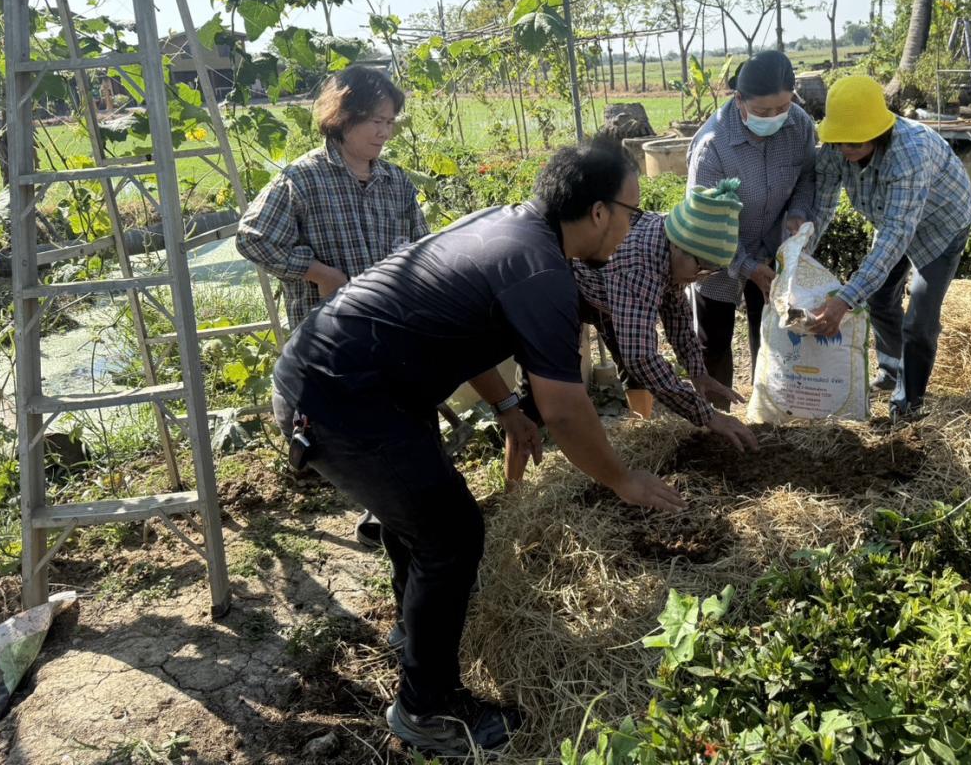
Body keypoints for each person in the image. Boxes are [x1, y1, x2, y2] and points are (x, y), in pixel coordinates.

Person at [270, 139, 685, 758]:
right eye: (634, 211)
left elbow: (457, 325)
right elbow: (569, 412)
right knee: (451, 534)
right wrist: (624, 479)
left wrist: (507, 407)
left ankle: (413, 634)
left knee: (421, 517)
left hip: (352, 384)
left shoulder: (507, 229)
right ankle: (425, 709)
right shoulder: (543, 268)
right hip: (339, 399)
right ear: (598, 212)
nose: (635, 226)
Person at [237, 66, 426, 548]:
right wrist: (319, 273)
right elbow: (253, 239)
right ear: (342, 118)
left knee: (401, 413)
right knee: (350, 422)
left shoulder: (395, 182)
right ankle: (380, 506)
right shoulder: (303, 179)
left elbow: (422, 248)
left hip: (386, 324)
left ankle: (393, 510)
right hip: (329, 331)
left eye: (391, 122)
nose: (384, 132)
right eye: (375, 121)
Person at [808, 75, 971, 419]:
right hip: (892, 220)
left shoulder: (909, 154)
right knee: (880, 298)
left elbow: (897, 237)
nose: (844, 150)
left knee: (919, 320)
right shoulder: (836, 150)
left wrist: (843, 301)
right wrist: (799, 255)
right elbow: (822, 207)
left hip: (941, 225)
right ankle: (890, 368)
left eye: (854, 143)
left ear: (879, 132)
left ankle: (909, 403)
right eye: (838, 141)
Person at [569, 179, 759, 453]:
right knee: (562, 383)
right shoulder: (639, 265)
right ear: (677, 246)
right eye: (699, 267)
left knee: (634, 367)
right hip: (573, 287)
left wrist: (698, 372)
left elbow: (677, 313)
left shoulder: (675, 244)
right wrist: (706, 415)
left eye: (709, 272)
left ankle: (640, 433)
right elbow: (641, 357)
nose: (697, 277)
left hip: (611, 290)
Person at [687, 51, 816, 404]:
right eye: (762, 112)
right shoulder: (712, 146)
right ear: (738, 100)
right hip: (718, 254)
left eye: (782, 108)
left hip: (773, 246)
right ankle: (716, 417)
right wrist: (746, 267)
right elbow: (707, 225)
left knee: (773, 333)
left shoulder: (800, 125)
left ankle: (770, 409)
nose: (775, 117)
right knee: (713, 343)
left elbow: (807, 176)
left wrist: (798, 213)